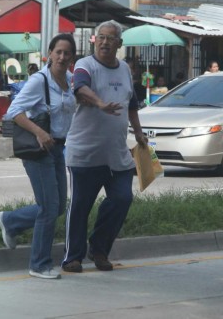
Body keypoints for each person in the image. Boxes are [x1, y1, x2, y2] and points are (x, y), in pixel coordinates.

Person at [61, 20, 148, 273]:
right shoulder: (85, 65)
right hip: (86, 152)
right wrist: (100, 103)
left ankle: (99, 249)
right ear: (94, 40)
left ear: (119, 44)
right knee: (80, 206)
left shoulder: (124, 69)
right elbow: (80, 87)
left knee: (122, 199)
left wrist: (139, 133)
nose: (105, 42)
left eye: (111, 38)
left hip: (117, 153)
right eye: (101, 37)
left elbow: (131, 103)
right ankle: (72, 257)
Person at [0, 34, 77, 280]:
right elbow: (14, 111)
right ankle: (39, 264)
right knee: (49, 208)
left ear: (72, 57)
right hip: (38, 148)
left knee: (58, 206)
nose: (62, 57)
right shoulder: (38, 81)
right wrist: (40, 132)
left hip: (58, 148)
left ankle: (10, 221)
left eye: (67, 53)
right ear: (50, 54)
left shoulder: (72, 81)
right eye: (58, 52)